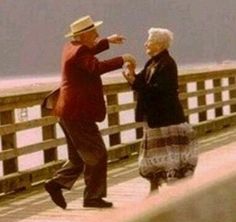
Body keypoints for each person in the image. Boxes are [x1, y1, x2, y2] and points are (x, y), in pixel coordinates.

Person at [44, 15, 136, 209]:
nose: (97, 34)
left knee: (79, 157)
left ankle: (56, 184)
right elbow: (96, 67)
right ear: (84, 35)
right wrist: (123, 59)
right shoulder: (79, 53)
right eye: (94, 32)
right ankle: (92, 197)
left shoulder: (71, 47)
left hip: (67, 111)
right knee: (98, 153)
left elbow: (89, 51)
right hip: (77, 113)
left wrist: (107, 41)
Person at [122, 27, 198, 193]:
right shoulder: (152, 62)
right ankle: (154, 187)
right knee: (153, 154)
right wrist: (131, 75)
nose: (145, 44)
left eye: (148, 41)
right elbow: (140, 83)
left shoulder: (167, 63)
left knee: (169, 154)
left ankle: (174, 188)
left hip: (166, 117)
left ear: (159, 44)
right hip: (154, 116)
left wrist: (134, 81)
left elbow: (157, 89)